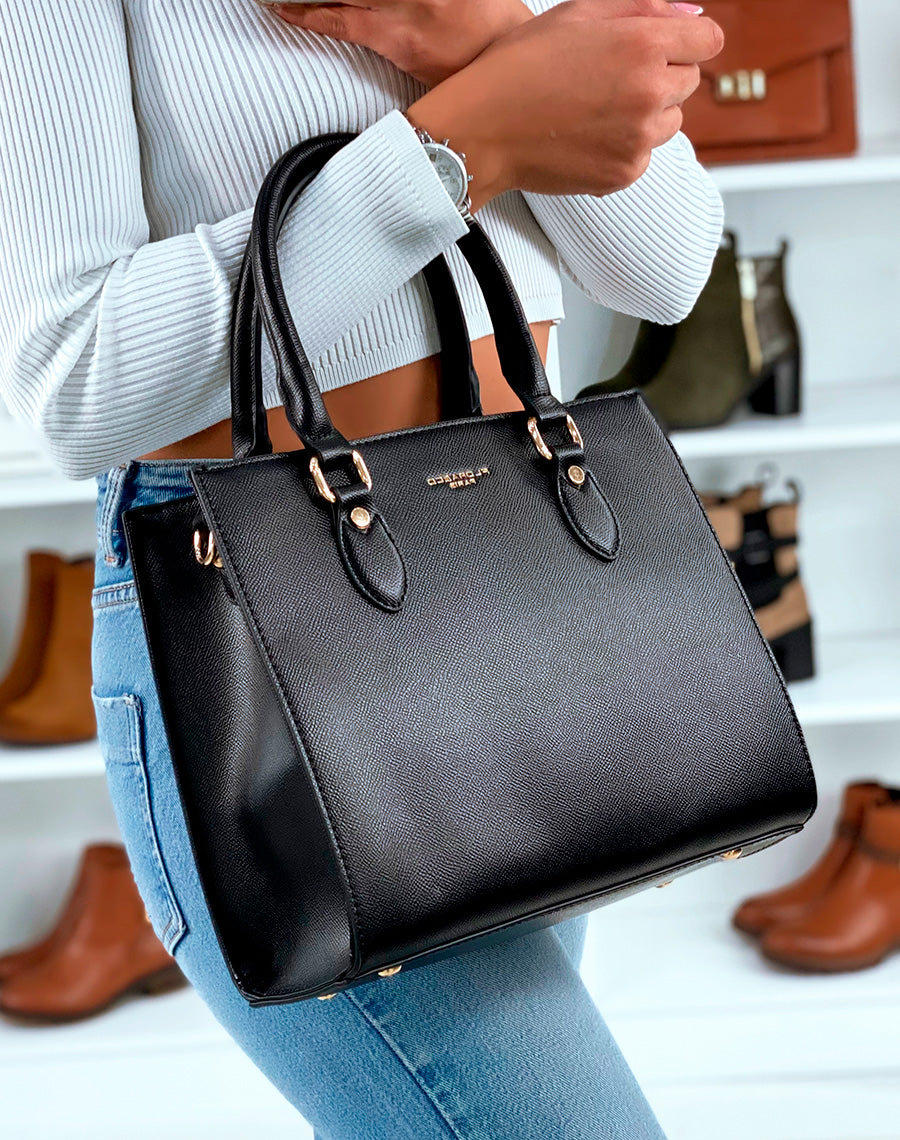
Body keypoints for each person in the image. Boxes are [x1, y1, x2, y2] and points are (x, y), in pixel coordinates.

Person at [0, 1, 724, 1135]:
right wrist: (464, 140)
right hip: (278, 634)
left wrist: (481, 29)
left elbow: (667, 268)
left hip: (516, 569)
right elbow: (78, 384)